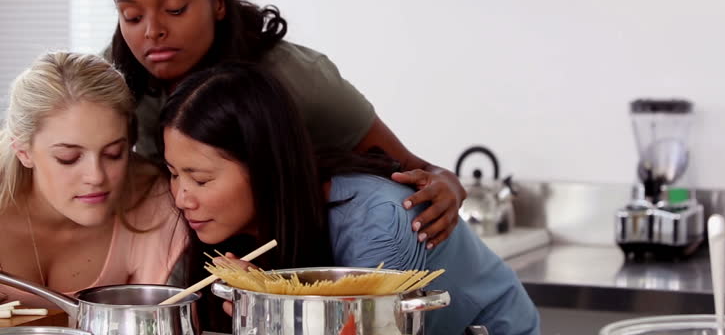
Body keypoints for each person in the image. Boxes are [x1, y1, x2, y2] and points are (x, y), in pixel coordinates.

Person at [82, 0, 465, 249]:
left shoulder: (297, 78)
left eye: (176, 8)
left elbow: (410, 169)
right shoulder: (113, 83)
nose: (153, 31)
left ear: (217, 2)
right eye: (130, 15)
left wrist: (446, 182)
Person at [160, 64, 540, 334]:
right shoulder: (236, 228)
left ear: (264, 166)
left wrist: (273, 311)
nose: (181, 197)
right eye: (175, 173)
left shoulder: (380, 221)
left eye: (200, 179)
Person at [0, 52, 186, 308]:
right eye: (69, 157)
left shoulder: (154, 201)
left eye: (114, 154)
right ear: (23, 151)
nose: (96, 177)